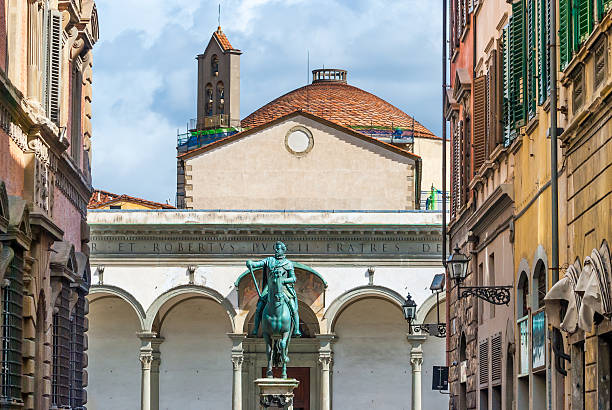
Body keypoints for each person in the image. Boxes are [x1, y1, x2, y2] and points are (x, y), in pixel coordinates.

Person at [247, 241, 301, 337]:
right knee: (259, 307)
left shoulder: (288, 263)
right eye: (275, 248)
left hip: (284, 288)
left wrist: (283, 281)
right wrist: (251, 263)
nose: (276, 250)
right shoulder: (269, 260)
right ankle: (255, 328)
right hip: (270, 287)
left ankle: (296, 329)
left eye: (278, 248)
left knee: (293, 308)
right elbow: (258, 264)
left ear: (283, 250)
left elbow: (293, 278)